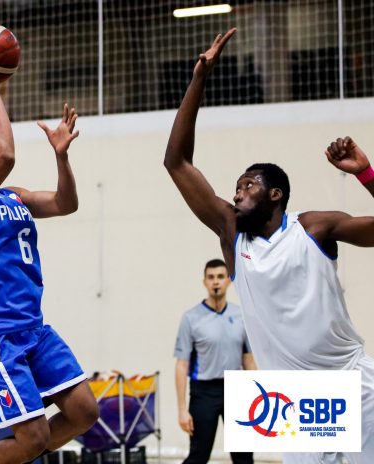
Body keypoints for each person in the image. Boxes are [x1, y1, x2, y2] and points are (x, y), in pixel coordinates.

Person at [164, 27, 374, 463]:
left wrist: (365, 174)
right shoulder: (231, 235)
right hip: (293, 402)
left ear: (275, 194)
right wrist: (199, 77)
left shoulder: (314, 228)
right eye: (236, 186)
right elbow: (176, 162)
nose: (237, 192)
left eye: (249, 185)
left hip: (353, 382)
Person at [0, 61, 99, 464]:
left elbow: (67, 204)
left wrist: (62, 157)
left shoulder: (14, 195)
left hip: (32, 326)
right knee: (32, 438)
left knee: (84, 412)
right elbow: (6, 155)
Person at [174, 259, 255, 464]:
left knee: (244, 457)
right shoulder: (191, 318)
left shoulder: (240, 316)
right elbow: (182, 364)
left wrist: (257, 398)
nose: (215, 282)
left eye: (220, 277)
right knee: (199, 455)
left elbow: (248, 359)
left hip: (237, 389)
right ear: (205, 282)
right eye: (211, 277)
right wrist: (182, 409)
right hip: (204, 391)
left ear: (228, 280)